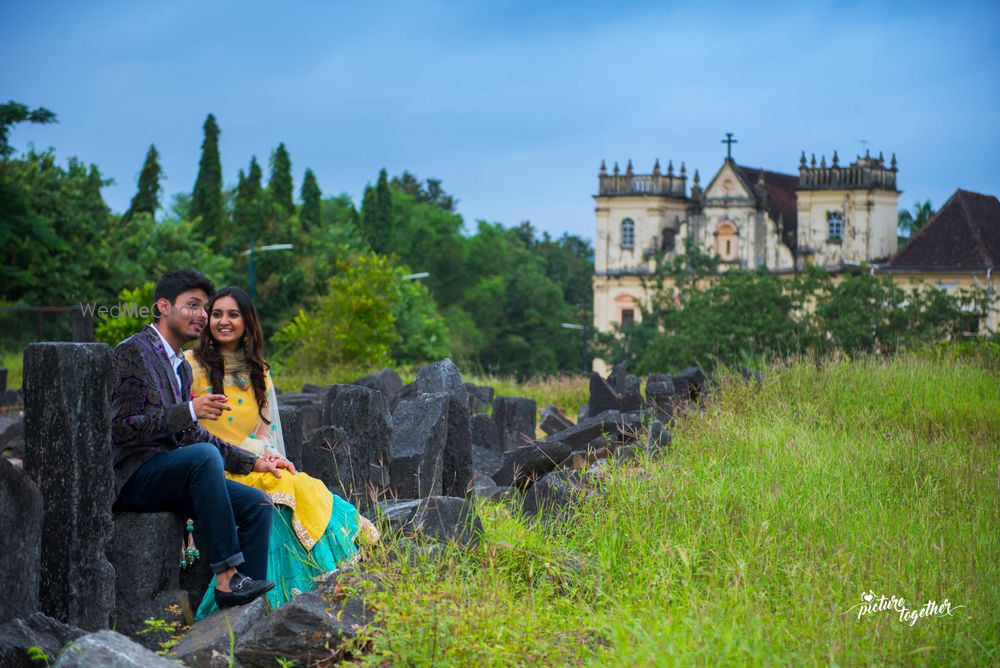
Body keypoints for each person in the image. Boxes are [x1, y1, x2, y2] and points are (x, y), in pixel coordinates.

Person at [186, 286, 377, 619]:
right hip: (212, 464)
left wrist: (271, 456)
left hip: (252, 460)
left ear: (247, 322)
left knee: (300, 485)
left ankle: (319, 590)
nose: (224, 321)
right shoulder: (189, 365)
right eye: (217, 314)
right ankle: (260, 604)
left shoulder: (257, 371)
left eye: (233, 314)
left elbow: (263, 432)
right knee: (273, 505)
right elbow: (185, 427)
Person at [111, 269, 293, 609]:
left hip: (173, 472)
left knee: (257, 505)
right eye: (192, 305)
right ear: (164, 307)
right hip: (135, 475)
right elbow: (121, 428)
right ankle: (227, 577)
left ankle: (246, 612)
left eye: (204, 307)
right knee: (203, 456)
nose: (202, 315)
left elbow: (193, 433)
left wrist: (255, 461)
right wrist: (190, 410)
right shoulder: (132, 353)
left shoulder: (179, 364)